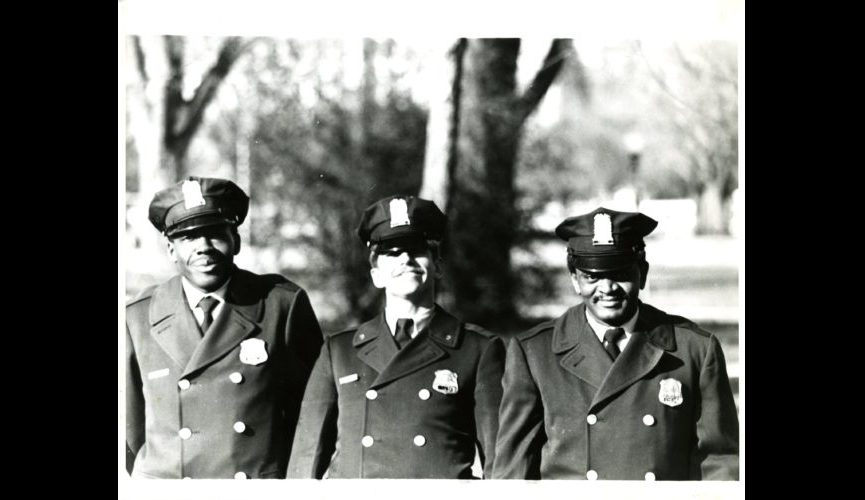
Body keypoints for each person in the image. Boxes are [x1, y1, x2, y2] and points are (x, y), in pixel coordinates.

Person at [493, 207, 738, 480]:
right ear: (575, 279)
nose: (607, 288)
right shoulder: (535, 354)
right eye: (592, 276)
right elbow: (511, 473)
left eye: (620, 274)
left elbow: (720, 463)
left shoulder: (694, 350)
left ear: (642, 273)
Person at [287, 195, 505, 479]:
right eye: (392, 252)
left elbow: (501, 461)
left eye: (417, 250)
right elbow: (307, 456)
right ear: (376, 274)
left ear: (436, 265)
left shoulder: (477, 350)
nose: (405, 259)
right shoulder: (339, 352)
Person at [125, 176, 324, 479]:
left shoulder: (281, 305)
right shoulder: (138, 317)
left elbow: (312, 414)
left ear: (236, 240)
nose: (203, 247)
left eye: (215, 234)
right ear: (170, 248)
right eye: (189, 237)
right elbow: (129, 430)